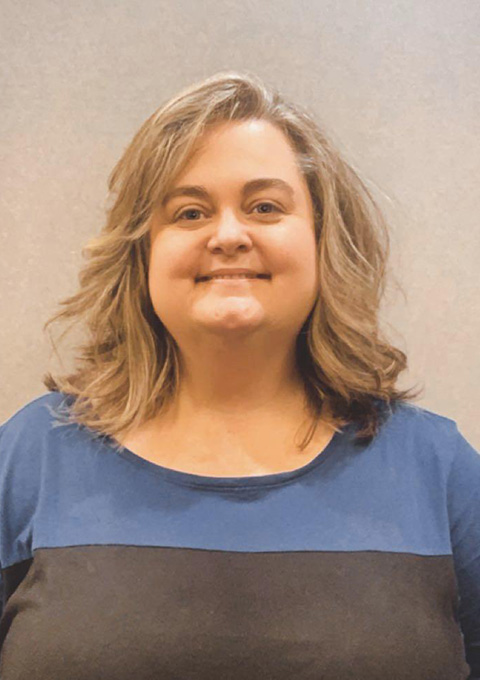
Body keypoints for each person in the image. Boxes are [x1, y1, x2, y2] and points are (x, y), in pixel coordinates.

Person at [0, 71, 478, 679]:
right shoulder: (31, 459)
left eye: (265, 207)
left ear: (323, 241)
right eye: (190, 212)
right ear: (141, 253)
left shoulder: (438, 472)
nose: (228, 235)